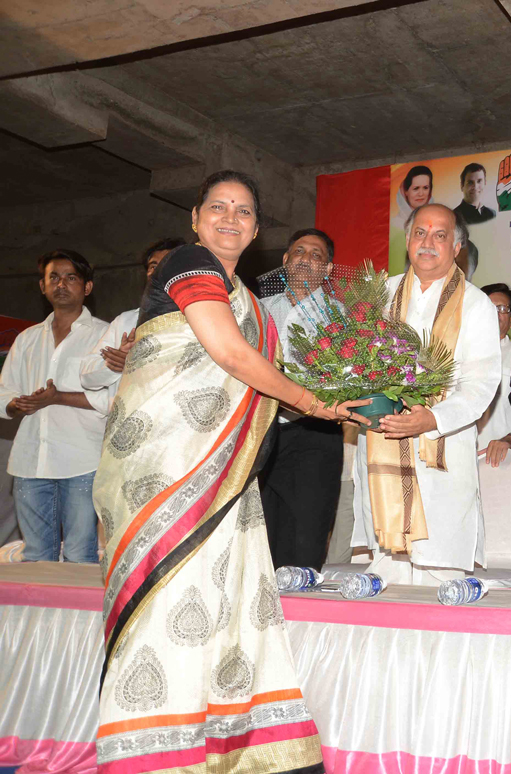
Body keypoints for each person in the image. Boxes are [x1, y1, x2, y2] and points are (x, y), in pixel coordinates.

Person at [93, 170, 361, 774]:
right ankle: (156, 755)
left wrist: (345, 395)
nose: (231, 219)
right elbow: (230, 356)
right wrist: (313, 403)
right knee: (168, 604)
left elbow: (260, 377)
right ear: (195, 217)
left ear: (258, 229)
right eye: (219, 207)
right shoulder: (190, 263)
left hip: (226, 474)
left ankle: (229, 747)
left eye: (244, 212)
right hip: (164, 471)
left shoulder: (246, 300)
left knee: (224, 604)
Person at [355, 203, 501, 586]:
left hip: (441, 448)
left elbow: (482, 382)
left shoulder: (476, 304)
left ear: (457, 247)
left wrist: (432, 419)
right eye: (420, 232)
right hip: (380, 439)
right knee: (386, 573)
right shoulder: (379, 296)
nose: (428, 242)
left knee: (440, 567)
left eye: (440, 235)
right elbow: (353, 365)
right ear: (408, 240)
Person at [0, 249, 108, 563]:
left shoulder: (105, 335)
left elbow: (111, 399)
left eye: (71, 277)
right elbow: (4, 392)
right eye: (54, 278)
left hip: (83, 460)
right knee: (34, 555)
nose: (61, 284)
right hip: (30, 460)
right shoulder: (27, 339)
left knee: (79, 553)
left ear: (87, 287)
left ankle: (79, 614)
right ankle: (39, 614)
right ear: (42, 286)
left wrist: (57, 397)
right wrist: (17, 404)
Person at [258, 228, 346, 570]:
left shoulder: (342, 317)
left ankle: (302, 616)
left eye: (316, 255)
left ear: (327, 269)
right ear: (285, 261)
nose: (306, 259)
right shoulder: (259, 310)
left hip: (316, 432)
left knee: (306, 537)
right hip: (262, 430)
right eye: (299, 251)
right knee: (259, 535)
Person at [79, 238, 185, 415]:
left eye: (168, 263)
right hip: (130, 424)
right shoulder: (127, 321)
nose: (158, 271)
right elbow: (86, 377)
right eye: (153, 266)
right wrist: (114, 364)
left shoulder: (200, 319)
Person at [477, 282, 511, 466]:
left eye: (501, 308)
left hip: (504, 460)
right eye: (488, 306)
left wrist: (509, 440)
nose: (494, 312)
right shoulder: (456, 356)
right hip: (460, 459)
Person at [389, 165, 434, 271]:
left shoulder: (437, 224)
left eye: (425, 188)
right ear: (406, 191)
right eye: (416, 188)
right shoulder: (395, 225)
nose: (421, 193)